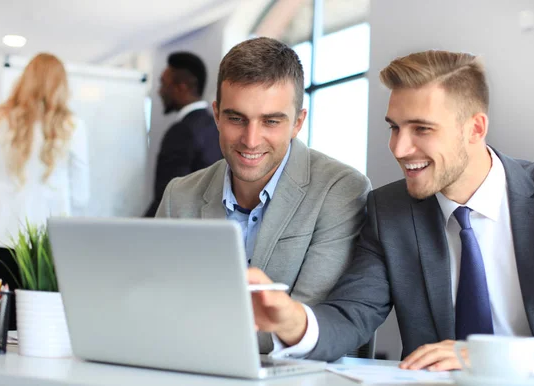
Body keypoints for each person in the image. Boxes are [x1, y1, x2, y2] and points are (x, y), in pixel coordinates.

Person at [248, 49, 534, 370]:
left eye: (421, 129)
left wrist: (504, 356)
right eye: (394, 128)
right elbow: (352, 313)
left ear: (476, 129)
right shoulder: (389, 211)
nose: (398, 148)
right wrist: (292, 320)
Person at [156, 37, 371, 353]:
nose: (251, 140)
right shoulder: (180, 195)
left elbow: (304, 321)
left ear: (297, 122)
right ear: (216, 115)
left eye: (271, 121)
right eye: (236, 118)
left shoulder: (340, 190)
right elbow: (156, 306)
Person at [0, 53, 90, 330]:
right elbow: (82, 196)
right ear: (60, 85)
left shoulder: (3, 119)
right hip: (45, 248)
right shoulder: (73, 127)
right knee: (41, 328)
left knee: (0, 328)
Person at [144, 52, 222, 217]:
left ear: (182, 87)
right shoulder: (215, 127)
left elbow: (166, 199)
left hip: (179, 232)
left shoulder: (181, 132)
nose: (159, 91)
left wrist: (131, 232)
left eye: (163, 84)